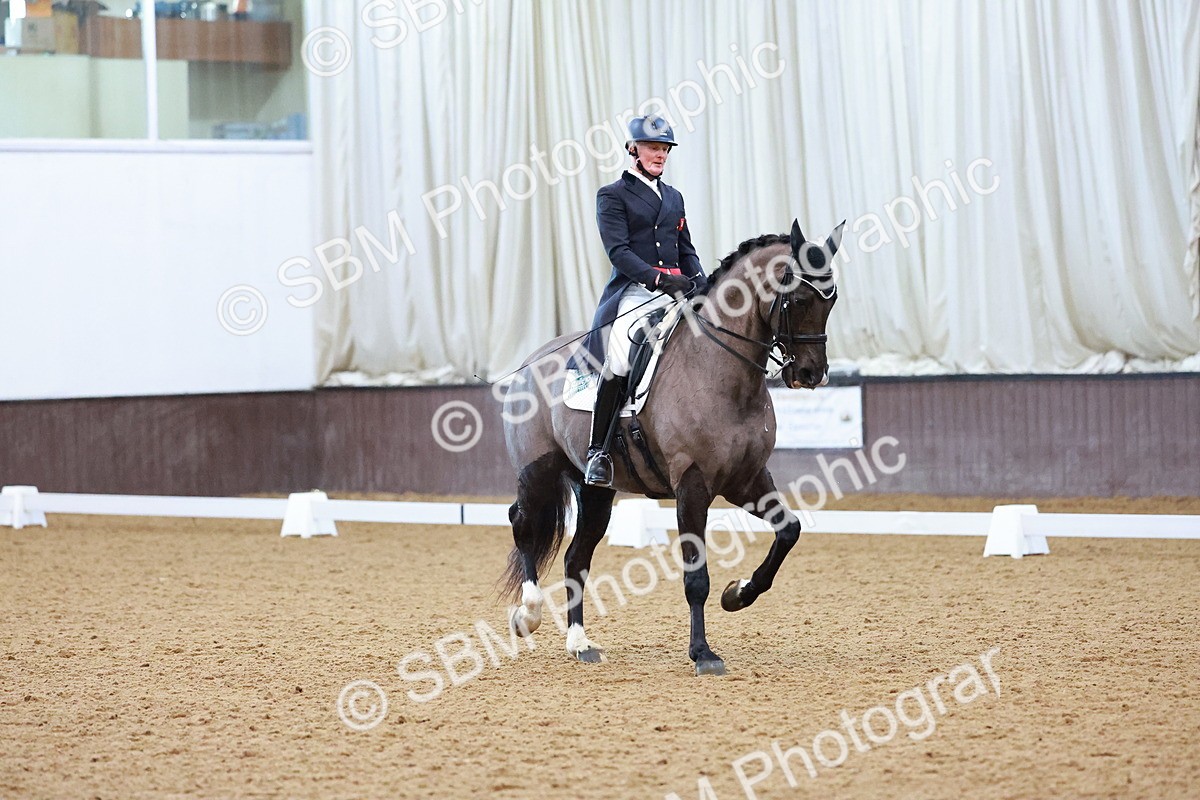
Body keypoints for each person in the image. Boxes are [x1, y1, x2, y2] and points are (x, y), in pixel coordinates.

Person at [580, 114, 708, 487]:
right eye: (654, 148)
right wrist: (658, 278)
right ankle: (598, 452)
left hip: (676, 293)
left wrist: (701, 283)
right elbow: (618, 252)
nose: (661, 155)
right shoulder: (612, 195)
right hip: (635, 294)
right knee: (620, 359)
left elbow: (686, 250)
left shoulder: (673, 197)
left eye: (665, 149)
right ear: (633, 149)